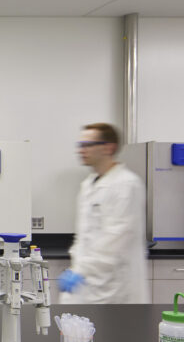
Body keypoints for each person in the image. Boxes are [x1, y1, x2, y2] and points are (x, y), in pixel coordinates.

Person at [59, 123, 149, 304]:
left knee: (113, 331)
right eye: (80, 145)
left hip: (115, 288)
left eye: (87, 145)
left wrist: (80, 270)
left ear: (109, 147)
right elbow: (84, 235)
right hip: (88, 281)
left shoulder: (125, 184)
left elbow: (116, 239)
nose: (81, 150)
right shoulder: (89, 184)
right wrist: (76, 267)